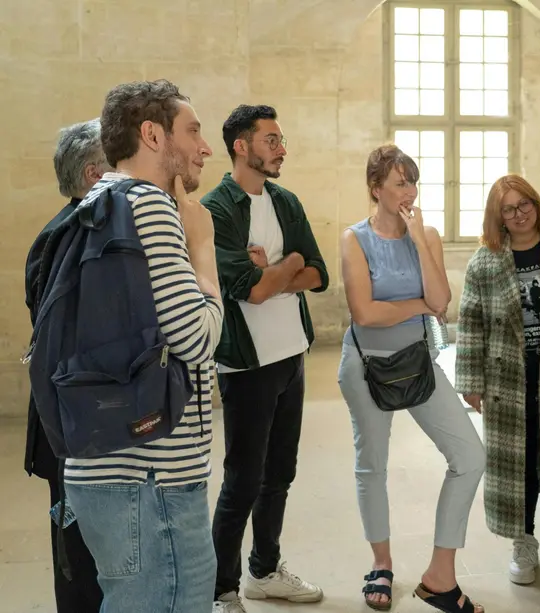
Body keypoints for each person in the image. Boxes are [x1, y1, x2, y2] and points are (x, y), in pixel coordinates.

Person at [58, 80, 224, 611]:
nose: (205, 147)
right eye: (193, 131)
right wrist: (202, 245)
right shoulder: (149, 205)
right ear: (152, 135)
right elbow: (196, 338)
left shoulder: (98, 202)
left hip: (109, 467)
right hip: (153, 480)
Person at [337, 144, 486, 613]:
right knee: (372, 465)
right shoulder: (354, 239)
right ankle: (381, 564)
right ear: (375, 188)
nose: (410, 191)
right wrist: (420, 305)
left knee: (470, 456)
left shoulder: (428, 235)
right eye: (400, 182)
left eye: (413, 181)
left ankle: (440, 575)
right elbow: (364, 313)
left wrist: (420, 241)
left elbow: (442, 301)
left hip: (418, 362)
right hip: (366, 366)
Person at [201, 104, 329, 612]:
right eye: (271, 140)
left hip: (291, 354)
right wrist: (283, 267)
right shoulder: (216, 208)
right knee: (243, 481)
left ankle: (264, 571)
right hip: (246, 366)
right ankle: (221, 589)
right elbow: (246, 289)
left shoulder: (284, 201)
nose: (281, 149)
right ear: (241, 146)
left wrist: (276, 269)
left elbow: (317, 273)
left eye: (281, 140)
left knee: (280, 474)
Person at [454, 174, 540, 599]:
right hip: (508, 379)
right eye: (509, 210)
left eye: (525, 205)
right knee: (521, 464)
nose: (519, 215)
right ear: (497, 217)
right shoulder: (485, 261)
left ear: (536, 203)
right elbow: (471, 323)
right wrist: (471, 382)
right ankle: (524, 543)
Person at [23, 119, 108, 613]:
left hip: (86, 424)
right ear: (95, 175)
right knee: (78, 558)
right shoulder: (65, 237)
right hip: (73, 426)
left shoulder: (87, 229)